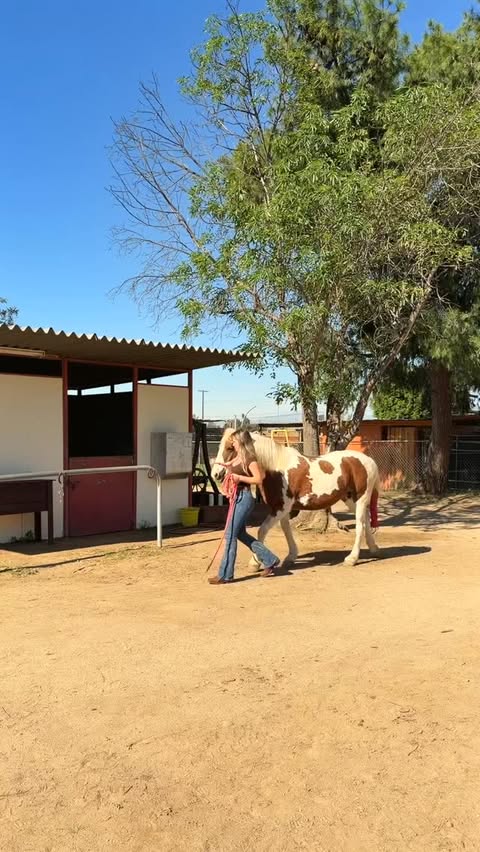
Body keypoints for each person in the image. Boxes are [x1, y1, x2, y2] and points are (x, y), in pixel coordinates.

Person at [208, 429, 280, 585]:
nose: (231, 442)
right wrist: (224, 465)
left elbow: (259, 478)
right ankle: (270, 559)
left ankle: (225, 575)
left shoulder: (250, 458)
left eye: (234, 440)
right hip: (237, 498)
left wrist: (239, 477)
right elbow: (231, 464)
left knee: (230, 535)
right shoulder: (238, 456)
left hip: (244, 498)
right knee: (240, 534)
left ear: (240, 441)